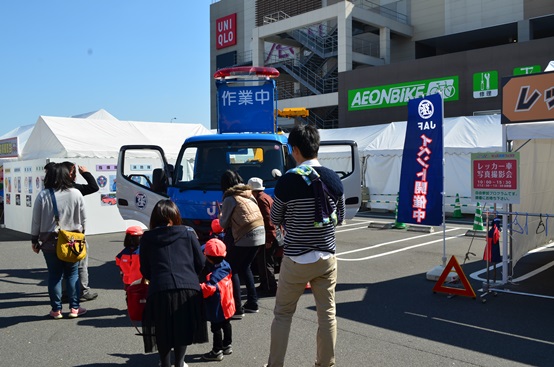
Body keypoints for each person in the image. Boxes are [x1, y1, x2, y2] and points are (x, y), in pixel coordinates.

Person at [266, 124, 345, 367]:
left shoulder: (288, 181)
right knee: (327, 315)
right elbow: (339, 218)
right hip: (326, 258)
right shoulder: (334, 180)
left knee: (283, 314)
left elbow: (274, 218)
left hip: (296, 259)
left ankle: (275, 364)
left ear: (295, 149)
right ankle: (326, 363)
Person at [140, 199, 208, 367]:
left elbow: (145, 269)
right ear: (175, 216)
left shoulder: (147, 238)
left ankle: (164, 363)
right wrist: (191, 276)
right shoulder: (187, 232)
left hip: (160, 288)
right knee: (182, 329)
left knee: (163, 330)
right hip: (188, 287)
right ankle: (179, 362)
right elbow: (201, 262)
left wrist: (154, 277)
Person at [31, 163, 87, 319]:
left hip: (50, 241)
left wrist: (34, 240)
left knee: (55, 275)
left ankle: (56, 310)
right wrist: (82, 234)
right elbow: (84, 218)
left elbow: (36, 221)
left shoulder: (43, 195)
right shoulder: (76, 193)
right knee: (72, 274)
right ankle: (75, 308)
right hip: (73, 240)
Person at [219, 169, 265, 317]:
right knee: (246, 267)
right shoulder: (249, 194)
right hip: (260, 234)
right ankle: (252, 303)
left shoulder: (230, 198)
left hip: (245, 235)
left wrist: (221, 214)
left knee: (232, 269)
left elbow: (224, 223)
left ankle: (237, 308)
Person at [61, 161, 99, 302]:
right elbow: (94, 187)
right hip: (75, 233)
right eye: (74, 173)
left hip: (59, 233)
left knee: (63, 265)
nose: (75, 175)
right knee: (81, 263)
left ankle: (65, 292)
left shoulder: (51, 190)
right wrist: (86, 173)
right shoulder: (75, 190)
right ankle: (83, 291)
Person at [200, 238, 235, 361]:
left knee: (216, 328)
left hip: (218, 306)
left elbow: (207, 289)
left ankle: (217, 351)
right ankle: (227, 345)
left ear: (208, 257)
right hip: (228, 303)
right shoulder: (226, 266)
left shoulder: (214, 276)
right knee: (226, 324)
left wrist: (197, 287)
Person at [248, 177, 279, 297]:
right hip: (271, 235)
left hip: (268, 236)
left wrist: (269, 239)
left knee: (266, 263)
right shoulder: (266, 196)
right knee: (263, 261)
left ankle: (270, 287)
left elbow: (268, 220)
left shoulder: (260, 200)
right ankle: (264, 284)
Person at [115, 225, 144, 290]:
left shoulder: (123, 252)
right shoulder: (143, 251)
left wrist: (122, 273)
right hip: (140, 281)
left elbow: (118, 262)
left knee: (131, 298)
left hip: (130, 282)